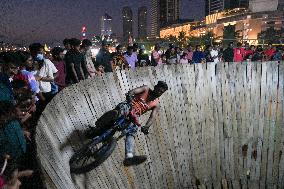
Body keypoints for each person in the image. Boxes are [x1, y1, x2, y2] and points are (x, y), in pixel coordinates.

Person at [86, 81, 168, 166]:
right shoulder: (146, 89)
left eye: (161, 92)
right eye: (159, 90)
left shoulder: (156, 104)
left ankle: (129, 156)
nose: (159, 93)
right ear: (155, 87)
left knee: (133, 129)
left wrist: (146, 127)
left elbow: (152, 117)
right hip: (128, 106)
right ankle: (108, 118)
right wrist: (130, 95)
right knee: (124, 109)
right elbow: (133, 91)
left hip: (133, 117)